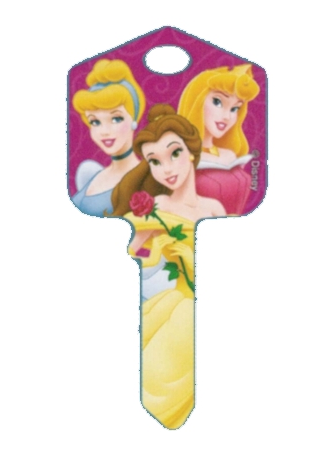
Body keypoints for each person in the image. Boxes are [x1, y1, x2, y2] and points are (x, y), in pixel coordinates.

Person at [111, 104, 225, 429]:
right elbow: (135, 250)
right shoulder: (157, 207)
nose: (166, 169)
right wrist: (150, 252)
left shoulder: (214, 209)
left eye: (174, 153)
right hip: (164, 302)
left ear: (191, 151)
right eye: (155, 161)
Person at [178, 64, 260, 214]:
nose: (227, 116)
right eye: (217, 102)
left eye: (234, 109)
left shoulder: (230, 155)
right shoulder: (178, 155)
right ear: (197, 100)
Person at [71, 59, 146, 216]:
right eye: (95, 122)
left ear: (133, 118)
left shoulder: (147, 180)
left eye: (116, 119)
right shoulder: (94, 176)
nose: (104, 131)